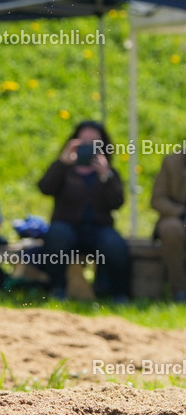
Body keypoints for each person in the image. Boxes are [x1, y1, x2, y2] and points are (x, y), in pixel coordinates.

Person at [38, 120, 130, 301]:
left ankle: (119, 294)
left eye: (94, 141)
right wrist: (62, 163)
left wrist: (106, 176)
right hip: (67, 227)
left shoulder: (109, 173)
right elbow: (45, 188)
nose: (88, 146)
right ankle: (57, 289)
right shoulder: (64, 169)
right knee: (57, 235)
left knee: (116, 245)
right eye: (83, 141)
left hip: (98, 228)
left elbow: (116, 203)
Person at [150, 149, 186, 301]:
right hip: (177, 216)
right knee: (171, 229)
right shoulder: (172, 162)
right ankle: (180, 291)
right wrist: (181, 213)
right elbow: (157, 199)